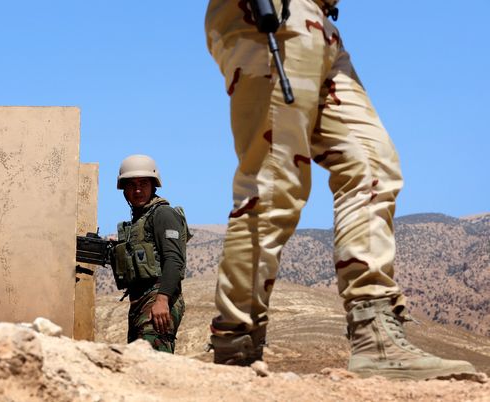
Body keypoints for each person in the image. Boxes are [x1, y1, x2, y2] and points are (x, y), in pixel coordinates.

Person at [204, 0, 477, 379]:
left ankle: (376, 337)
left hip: (321, 24)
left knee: (370, 164)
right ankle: (238, 344)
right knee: (274, 182)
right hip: (273, 16)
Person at [112, 154, 191, 353]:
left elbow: (174, 260)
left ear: (153, 185)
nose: (137, 190)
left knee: (153, 362)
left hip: (158, 298)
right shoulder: (139, 221)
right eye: (131, 185)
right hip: (141, 302)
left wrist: (162, 300)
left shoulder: (163, 214)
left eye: (143, 183)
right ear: (124, 189)